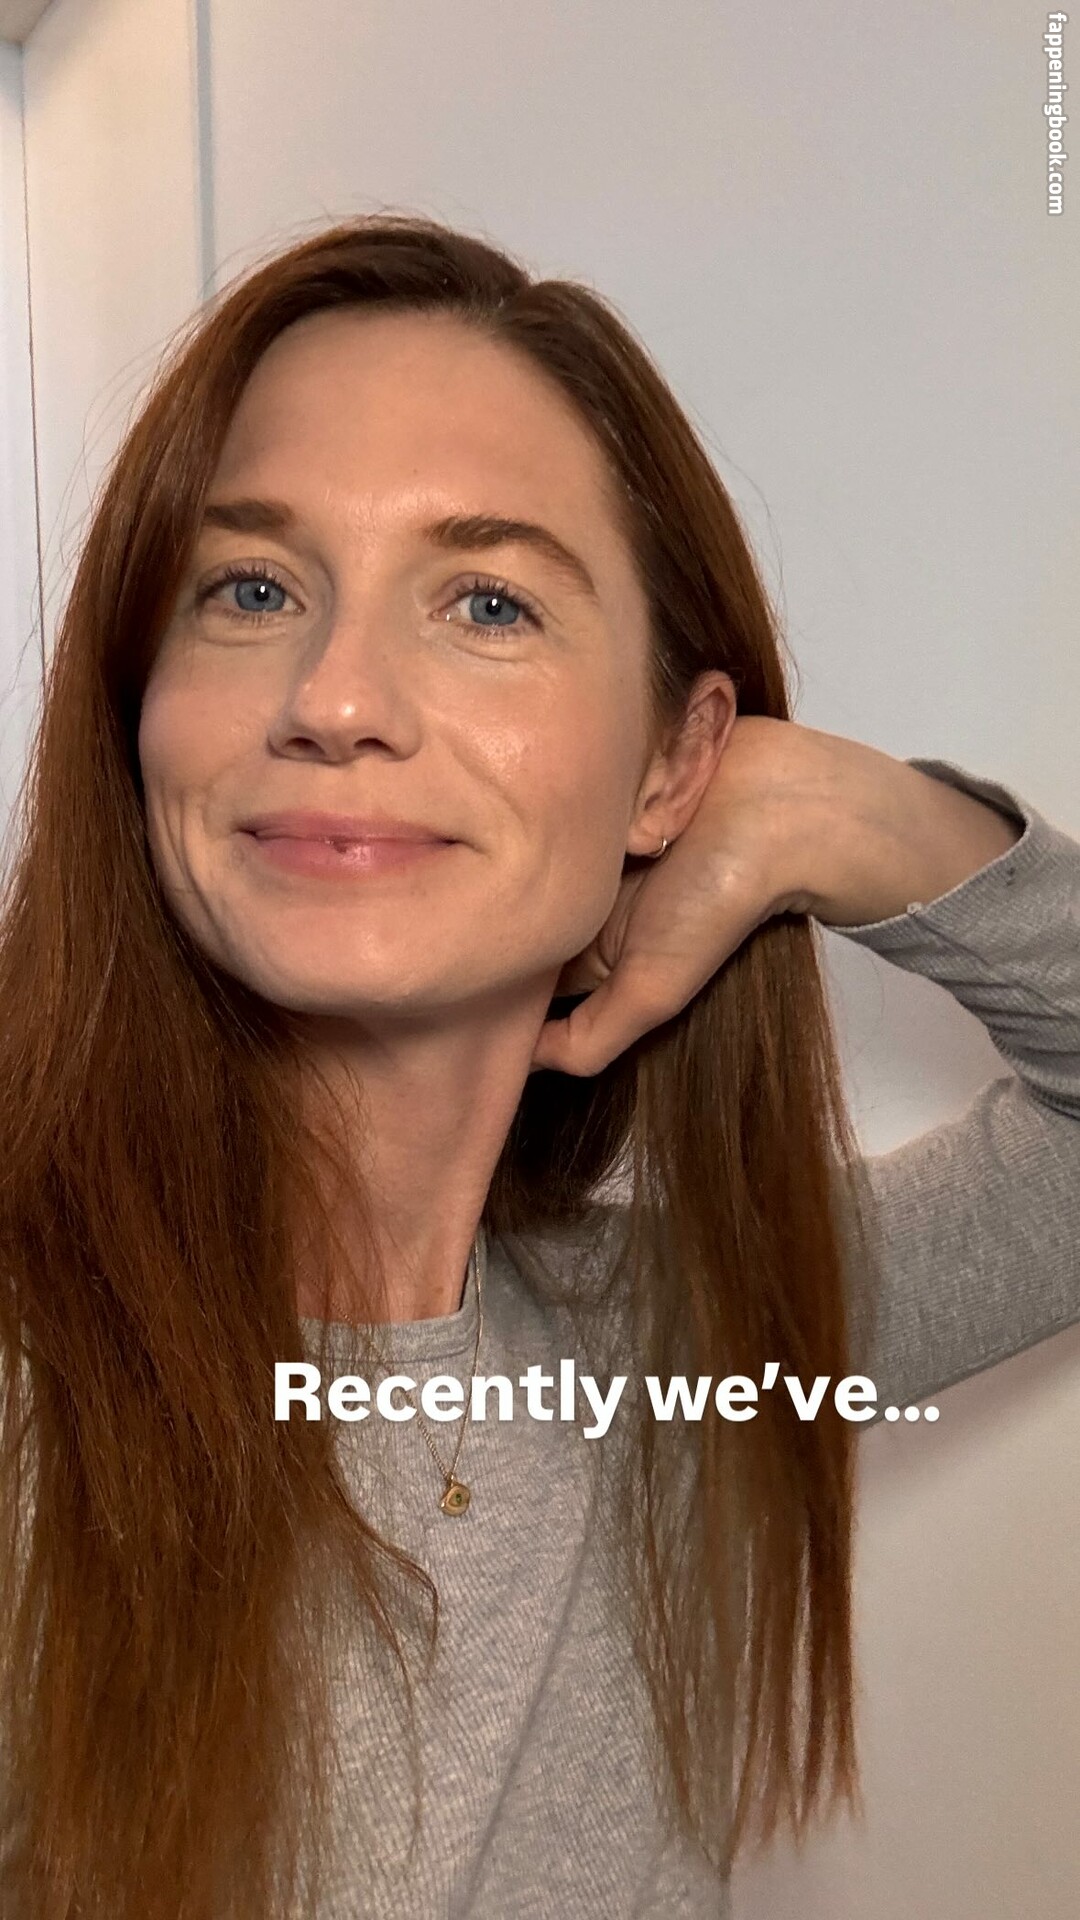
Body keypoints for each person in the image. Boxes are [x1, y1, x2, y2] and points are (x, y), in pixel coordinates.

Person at [0, 211, 1076, 1920]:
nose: (335, 696)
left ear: (671, 766)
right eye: (252, 588)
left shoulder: (681, 1347)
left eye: (486, 602)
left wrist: (841, 815)